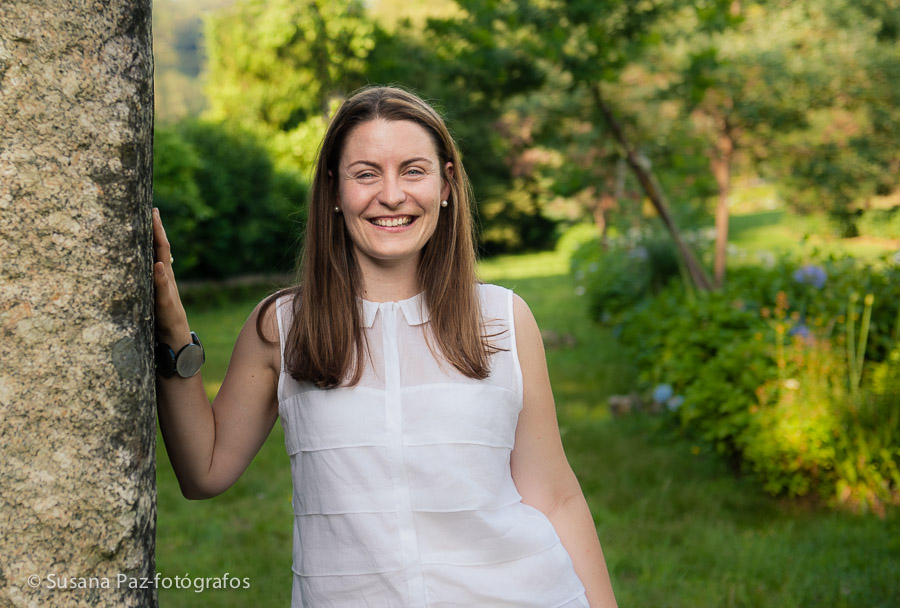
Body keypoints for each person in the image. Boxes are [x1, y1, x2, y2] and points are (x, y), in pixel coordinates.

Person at [153, 86, 617, 607]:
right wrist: (173, 333)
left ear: (446, 184)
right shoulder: (282, 326)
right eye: (366, 173)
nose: (392, 194)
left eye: (413, 171)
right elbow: (204, 471)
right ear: (333, 189)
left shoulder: (505, 319)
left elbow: (555, 496)